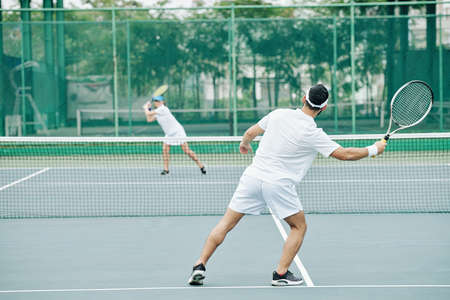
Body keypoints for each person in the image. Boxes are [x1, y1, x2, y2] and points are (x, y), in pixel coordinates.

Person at [188, 84, 386, 286]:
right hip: (279, 184)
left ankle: (199, 265)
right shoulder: (313, 133)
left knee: (226, 223)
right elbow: (345, 154)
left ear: (303, 98)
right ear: (324, 108)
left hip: (252, 177)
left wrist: (245, 144)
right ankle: (281, 274)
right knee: (299, 226)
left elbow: (249, 133)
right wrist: (374, 149)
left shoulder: (278, 114)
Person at [143, 95, 206, 175]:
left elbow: (148, 113)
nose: (157, 102)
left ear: (162, 102)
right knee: (165, 150)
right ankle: (166, 170)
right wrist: (148, 108)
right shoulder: (157, 111)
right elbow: (149, 119)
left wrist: (146, 108)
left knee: (187, 151)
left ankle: (201, 166)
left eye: (158, 101)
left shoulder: (163, 109)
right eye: (155, 101)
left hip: (178, 132)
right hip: (169, 134)